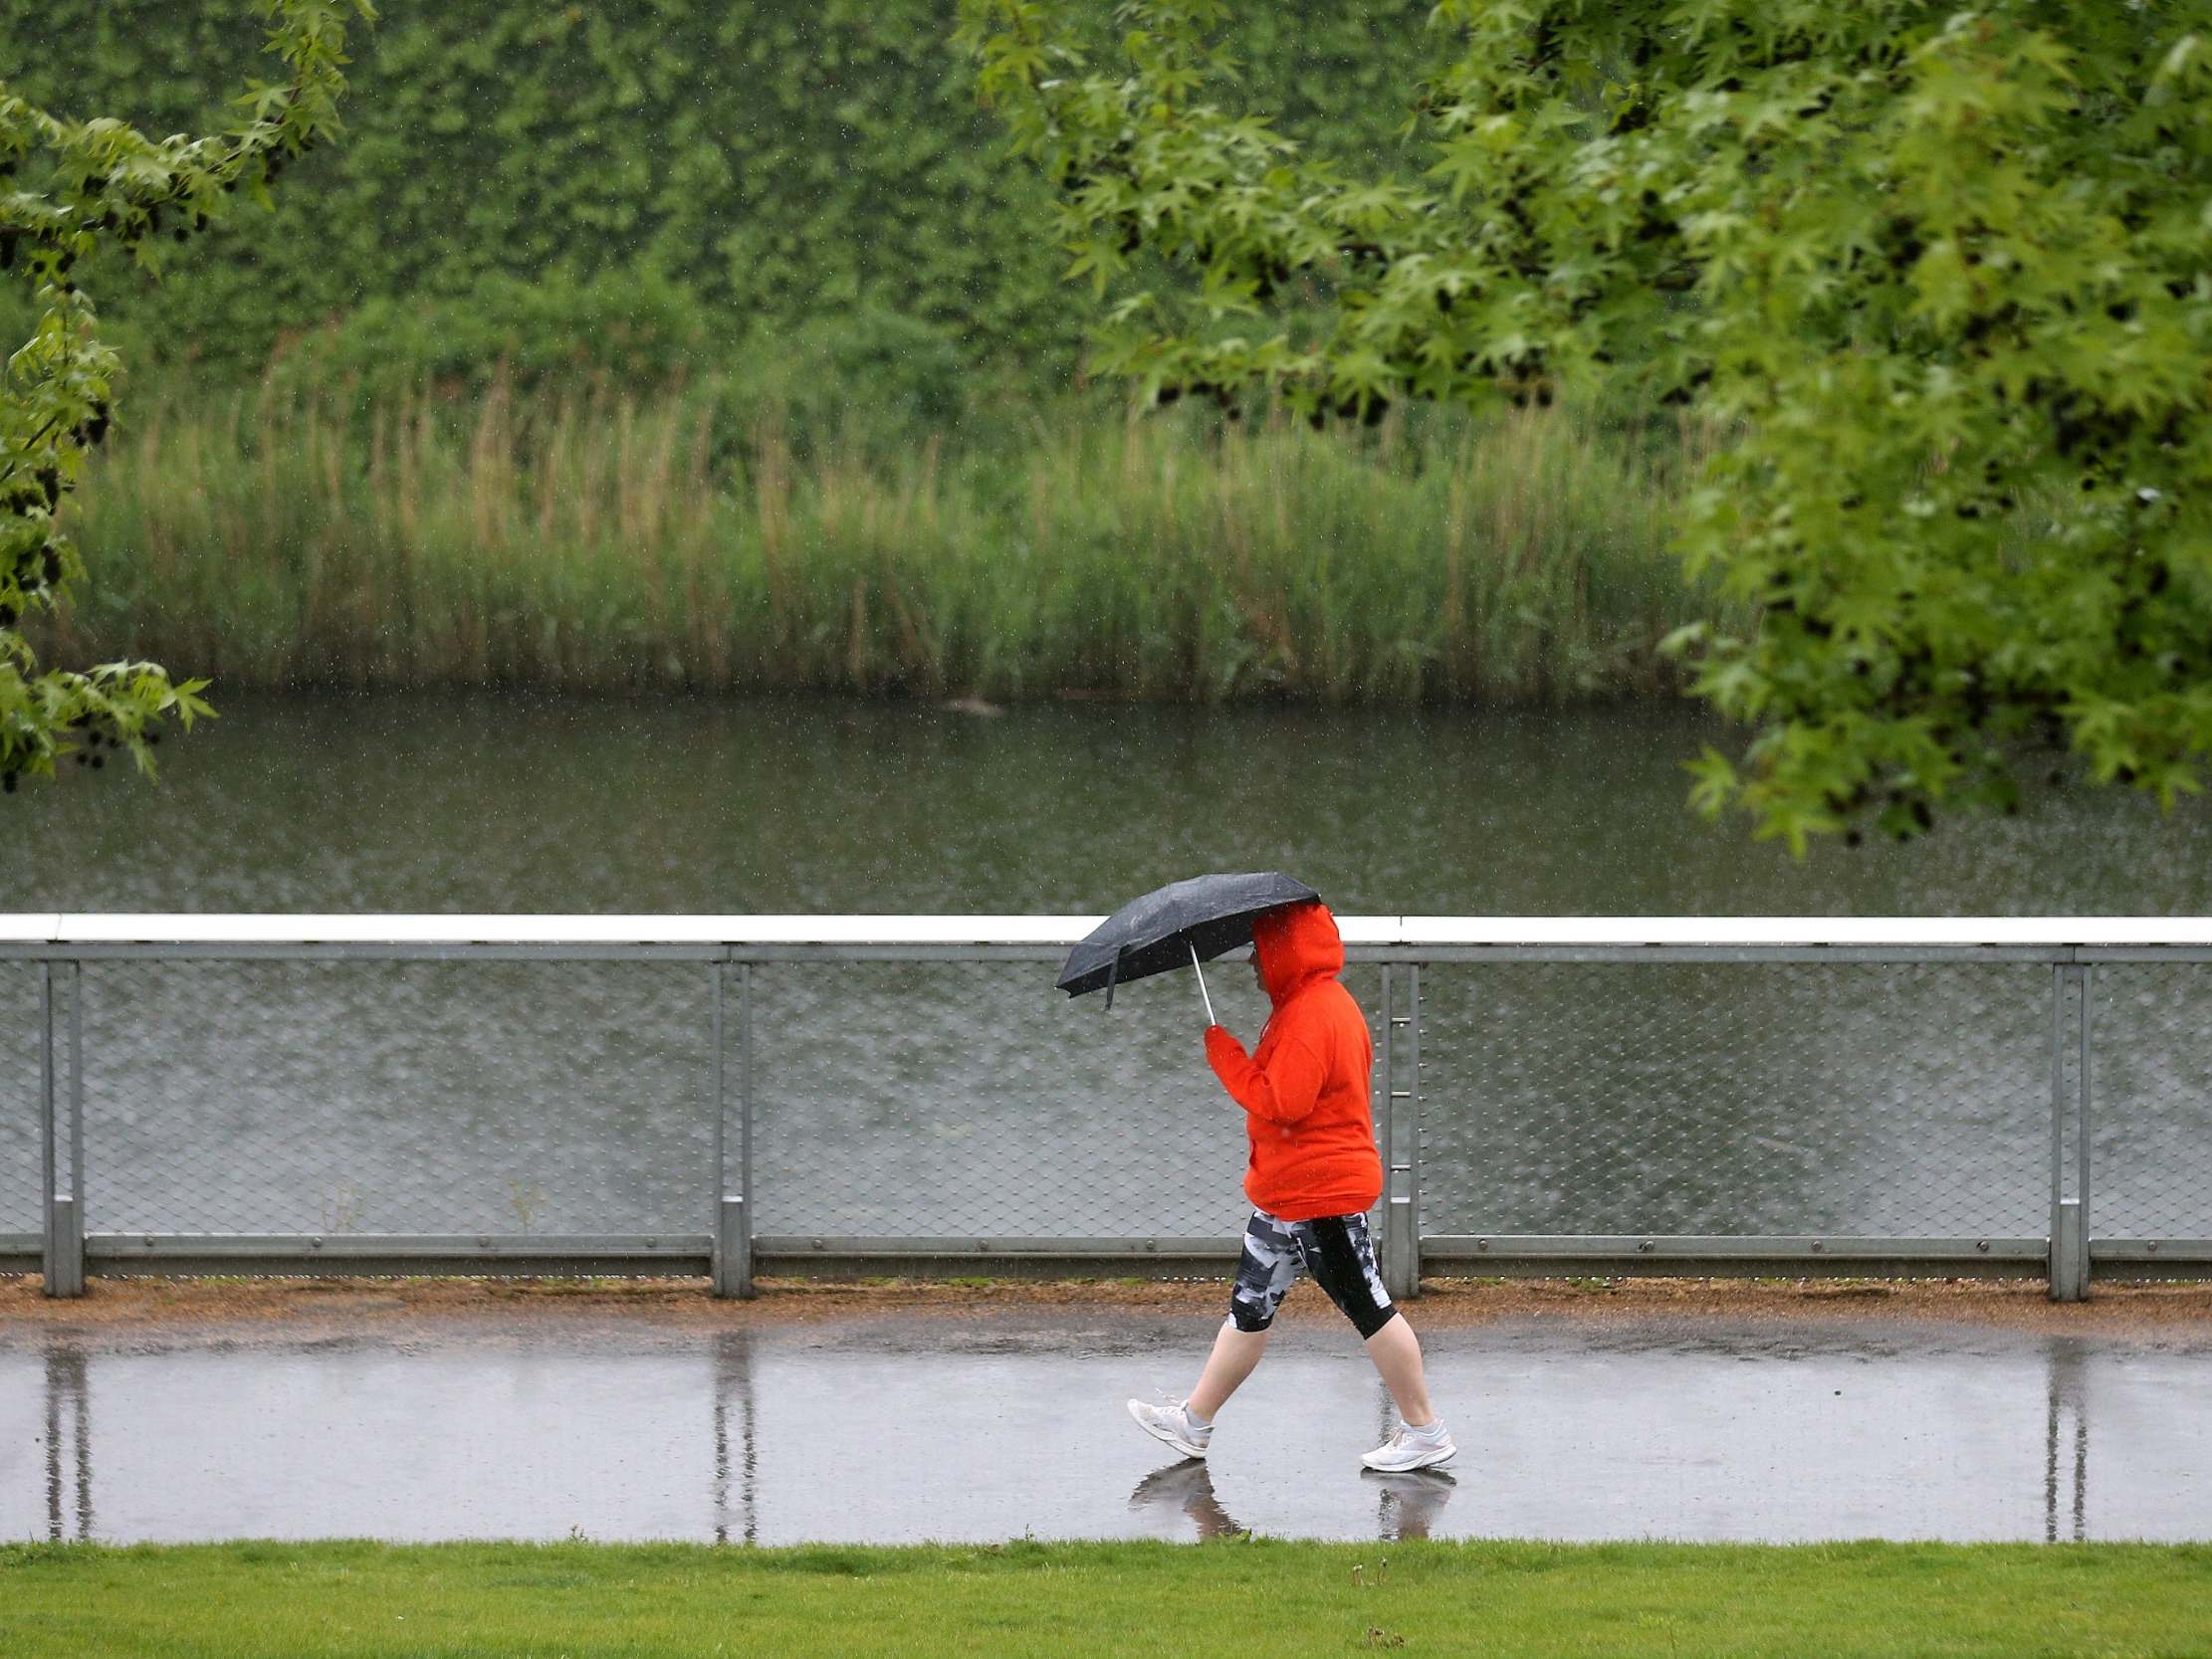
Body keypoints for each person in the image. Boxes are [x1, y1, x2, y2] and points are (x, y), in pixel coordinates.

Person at [1127, 899, 1455, 1472]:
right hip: (1287, 1192)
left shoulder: (1311, 1014)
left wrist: (1225, 1054)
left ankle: (1425, 1430)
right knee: (1250, 1309)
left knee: (1370, 1308)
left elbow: (1283, 1102)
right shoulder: (1310, 1006)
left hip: (1318, 1194)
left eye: (1259, 949)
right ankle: (1195, 1423)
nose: (1252, 961)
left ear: (1284, 951)